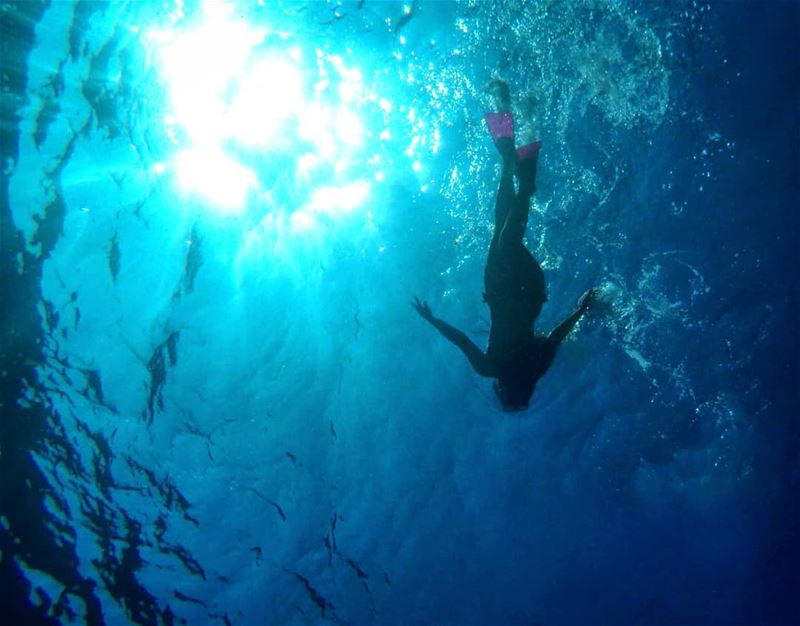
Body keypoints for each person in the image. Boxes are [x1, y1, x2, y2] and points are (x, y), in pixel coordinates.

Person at [412, 79, 596, 412]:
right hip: (519, 293)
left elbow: (465, 340)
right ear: (509, 392)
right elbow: (463, 340)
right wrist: (430, 319)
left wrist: (581, 310)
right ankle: (524, 180)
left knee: (502, 226)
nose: (502, 391)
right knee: (507, 238)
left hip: (508, 290)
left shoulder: (516, 367)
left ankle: (510, 162)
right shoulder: (498, 369)